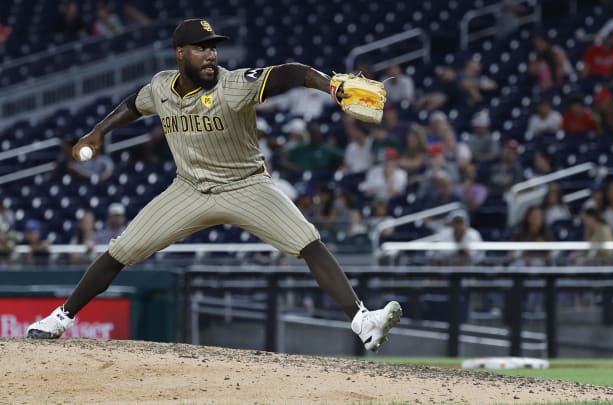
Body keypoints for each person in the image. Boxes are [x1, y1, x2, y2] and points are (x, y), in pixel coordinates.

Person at [27, 19, 401, 352]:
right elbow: (134, 104)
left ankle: (363, 321)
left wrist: (330, 85)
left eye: (213, 47)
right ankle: (60, 318)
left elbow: (293, 73)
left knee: (308, 241)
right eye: (201, 48)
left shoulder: (233, 85)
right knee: (121, 250)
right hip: (189, 189)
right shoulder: (161, 87)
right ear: (180, 53)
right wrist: (98, 132)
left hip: (246, 186)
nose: (210, 55)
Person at [417, 210, 483, 266]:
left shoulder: (473, 234)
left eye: (460, 222)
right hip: (447, 267)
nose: (458, 225)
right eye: (456, 222)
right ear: (451, 223)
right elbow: (438, 254)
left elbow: (475, 256)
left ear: (466, 223)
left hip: (470, 269)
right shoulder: (444, 234)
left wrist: (463, 253)